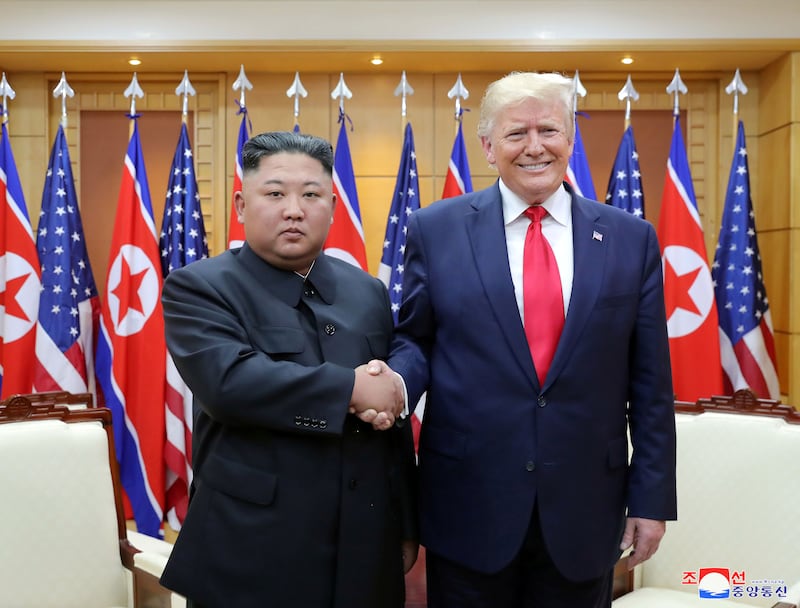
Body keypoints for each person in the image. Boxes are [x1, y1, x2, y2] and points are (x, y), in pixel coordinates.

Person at [383, 72, 677, 607]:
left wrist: (651, 500)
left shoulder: (630, 239)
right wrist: (395, 387)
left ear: (570, 138)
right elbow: (416, 340)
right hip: (469, 502)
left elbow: (651, 382)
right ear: (487, 146)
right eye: (517, 133)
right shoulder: (435, 229)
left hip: (586, 508)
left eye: (549, 130)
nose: (535, 146)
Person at [159, 130, 418, 608]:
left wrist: (404, 523)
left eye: (311, 195)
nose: (294, 210)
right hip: (252, 549)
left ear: (333, 208)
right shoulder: (198, 287)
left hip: (365, 547)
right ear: (241, 205)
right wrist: (351, 390)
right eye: (275, 194)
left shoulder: (367, 292)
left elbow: (392, 429)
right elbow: (229, 384)